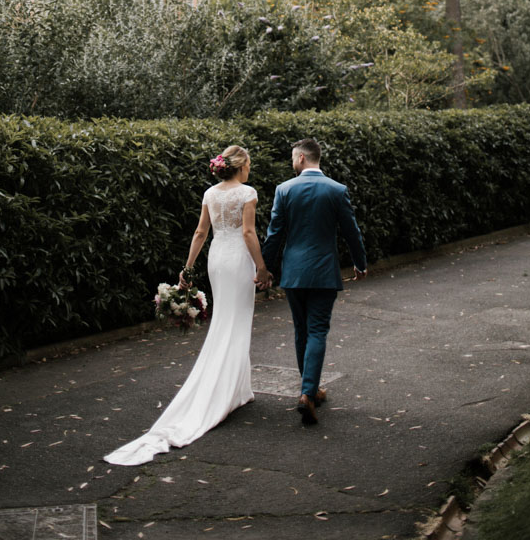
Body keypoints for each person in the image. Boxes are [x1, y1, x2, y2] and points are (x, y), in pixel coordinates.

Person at [104, 145, 273, 465]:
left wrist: (188, 267)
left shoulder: (210, 194)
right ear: (241, 166)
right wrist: (261, 267)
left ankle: (240, 389)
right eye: (249, 163)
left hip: (217, 259)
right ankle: (229, 392)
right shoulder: (247, 192)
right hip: (238, 259)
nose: (250, 169)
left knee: (226, 319)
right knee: (237, 322)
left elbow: (200, 232)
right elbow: (249, 232)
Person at [262, 138, 367, 426]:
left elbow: (275, 234)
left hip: (294, 273)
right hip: (323, 272)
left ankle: (309, 390)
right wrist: (360, 262)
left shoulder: (284, 190)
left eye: (292, 158)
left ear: (301, 159)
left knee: (301, 330)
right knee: (317, 330)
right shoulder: (336, 190)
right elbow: (351, 231)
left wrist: (265, 268)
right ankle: (309, 392)